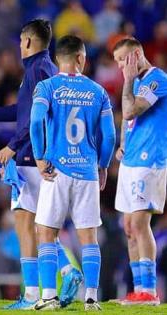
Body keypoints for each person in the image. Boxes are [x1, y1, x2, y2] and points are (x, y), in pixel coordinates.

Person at [0, 19, 82, 310]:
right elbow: (21, 111)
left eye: (20, 41)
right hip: (37, 155)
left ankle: (34, 294)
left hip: (30, 156)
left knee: (26, 225)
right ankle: (66, 270)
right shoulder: (42, 69)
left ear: (27, 42)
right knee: (39, 225)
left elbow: (34, 120)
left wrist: (12, 147)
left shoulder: (37, 70)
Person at [30, 35, 116, 311]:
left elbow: (35, 122)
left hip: (56, 170)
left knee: (46, 233)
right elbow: (110, 137)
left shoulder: (46, 87)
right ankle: (91, 298)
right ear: (81, 58)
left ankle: (49, 297)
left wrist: (41, 157)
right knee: (88, 236)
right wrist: (102, 165)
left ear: (57, 60)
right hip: (87, 171)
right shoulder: (98, 91)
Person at [113, 37, 167, 306]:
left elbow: (132, 110)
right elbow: (126, 120)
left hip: (150, 160)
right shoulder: (134, 82)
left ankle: (150, 292)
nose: (120, 66)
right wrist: (123, 144)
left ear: (136, 54)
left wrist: (127, 80)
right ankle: (138, 291)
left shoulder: (157, 79)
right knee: (128, 228)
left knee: (139, 223)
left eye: (123, 59)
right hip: (131, 160)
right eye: (117, 62)